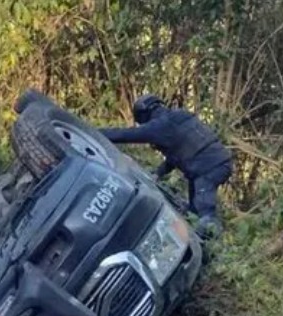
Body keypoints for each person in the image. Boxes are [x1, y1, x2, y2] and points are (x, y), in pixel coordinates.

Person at [100, 94, 233, 238]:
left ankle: (218, 247)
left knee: (206, 215)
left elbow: (126, 135)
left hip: (207, 170)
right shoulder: (180, 115)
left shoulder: (159, 127)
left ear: (144, 115)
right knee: (192, 213)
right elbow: (179, 152)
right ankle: (203, 242)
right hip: (219, 161)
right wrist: (159, 173)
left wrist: (96, 133)